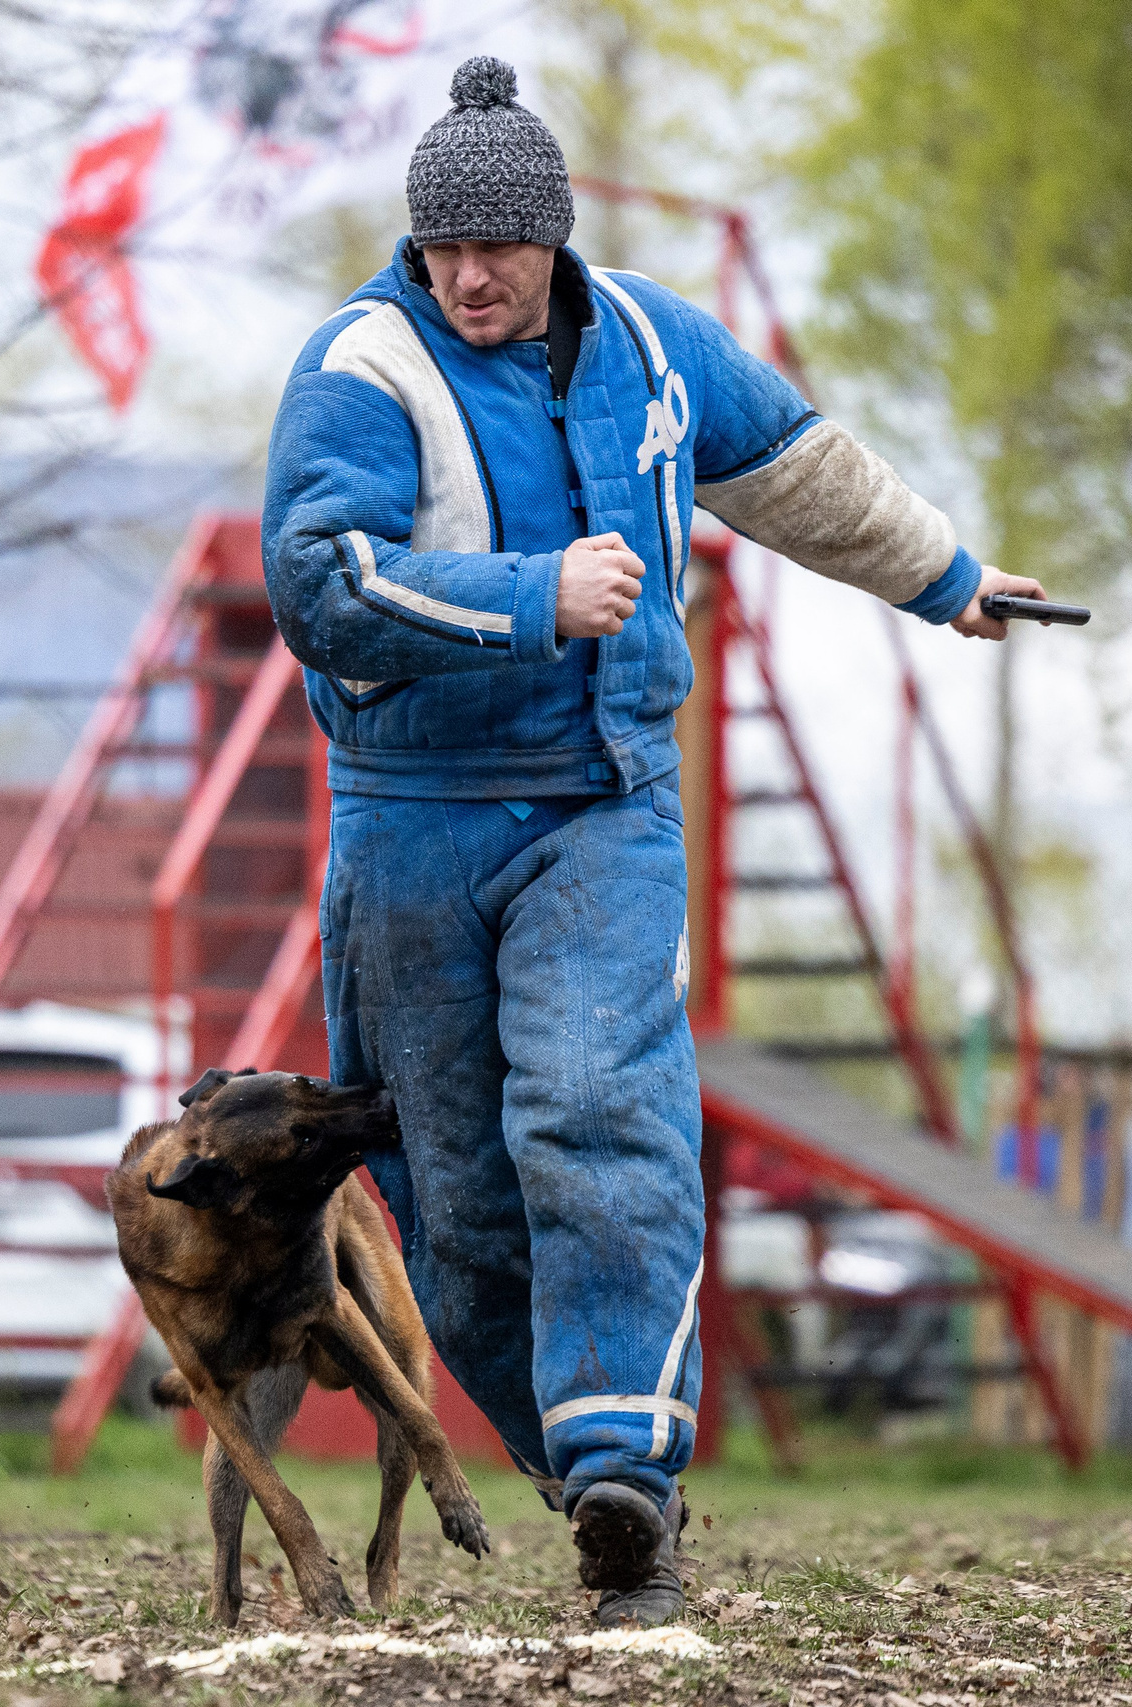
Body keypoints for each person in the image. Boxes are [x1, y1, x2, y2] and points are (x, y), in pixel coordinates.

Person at [260, 55, 1046, 1627]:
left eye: (499, 249)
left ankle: (629, 1467)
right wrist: (525, 599)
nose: (469, 276)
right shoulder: (360, 364)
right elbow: (316, 579)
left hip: (604, 804)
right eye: (442, 251)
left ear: (555, 240)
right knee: (461, 1198)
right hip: (411, 829)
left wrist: (948, 578)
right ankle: (586, 1465)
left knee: (603, 1110)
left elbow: (796, 469)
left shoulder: (650, 344)